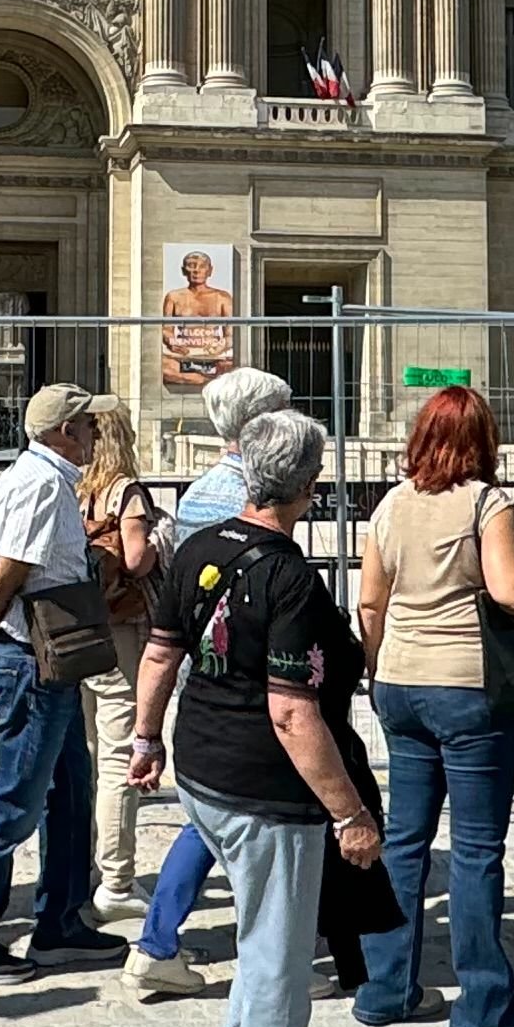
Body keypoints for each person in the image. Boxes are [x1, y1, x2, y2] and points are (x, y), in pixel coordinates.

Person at [128, 408, 377, 1027]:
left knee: (263, 934)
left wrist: (146, 737)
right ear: (308, 485)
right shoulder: (289, 576)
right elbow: (292, 711)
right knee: (277, 966)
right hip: (265, 788)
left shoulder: (201, 545)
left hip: (202, 767)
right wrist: (349, 813)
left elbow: (163, 653)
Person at [352, 383, 514, 1027]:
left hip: (400, 682)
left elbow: (370, 604)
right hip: (468, 687)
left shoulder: (391, 504)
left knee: (403, 843)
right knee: (475, 849)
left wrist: (378, 670)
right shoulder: (485, 503)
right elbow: (510, 589)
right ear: (481, 442)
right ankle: (485, 1005)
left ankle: (386, 989)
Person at [0, 385, 125, 986]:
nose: (94, 434)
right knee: (16, 798)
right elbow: (8, 570)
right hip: (28, 662)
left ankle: (61, 921)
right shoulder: (42, 484)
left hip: (47, 664)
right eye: (87, 424)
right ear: (63, 431)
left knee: (71, 789)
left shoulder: (51, 480)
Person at [120, 366, 298, 994]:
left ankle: (157, 941)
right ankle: (278, 953)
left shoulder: (200, 492)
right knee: (266, 819)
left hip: (206, 668)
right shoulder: (251, 499)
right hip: (249, 675)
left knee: (209, 819)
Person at [78, 395, 166, 908]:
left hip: (83, 629)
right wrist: (159, 538)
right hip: (123, 632)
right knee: (118, 756)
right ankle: (117, 878)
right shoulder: (125, 493)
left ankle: (88, 862)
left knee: (88, 753)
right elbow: (134, 562)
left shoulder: (76, 487)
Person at [158, 250, 239, 392]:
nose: (196, 271)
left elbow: (231, 332)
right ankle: (207, 382)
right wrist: (173, 343)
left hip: (214, 354)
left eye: (201, 266)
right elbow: (166, 329)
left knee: (231, 368)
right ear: (183, 270)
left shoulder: (222, 297)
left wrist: (221, 346)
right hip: (183, 353)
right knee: (165, 369)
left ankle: (204, 380)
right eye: (191, 266)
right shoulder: (174, 296)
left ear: (210, 270)